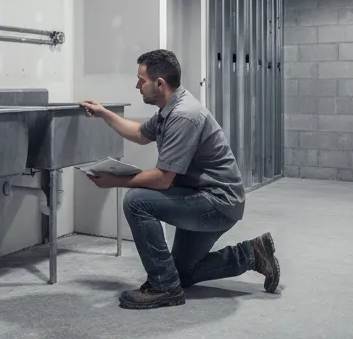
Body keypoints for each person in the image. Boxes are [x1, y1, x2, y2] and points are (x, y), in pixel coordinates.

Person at [79, 49, 279, 310]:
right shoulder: (169, 109)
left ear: (159, 83)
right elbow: (140, 132)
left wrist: (114, 180)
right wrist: (104, 113)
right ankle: (252, 253)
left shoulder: (185, 115)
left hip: (216, 202)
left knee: (136, 201)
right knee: (182, 273)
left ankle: (163, 287)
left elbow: (163, 180)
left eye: (141, 80)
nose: (137, 85)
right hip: (201, 195)